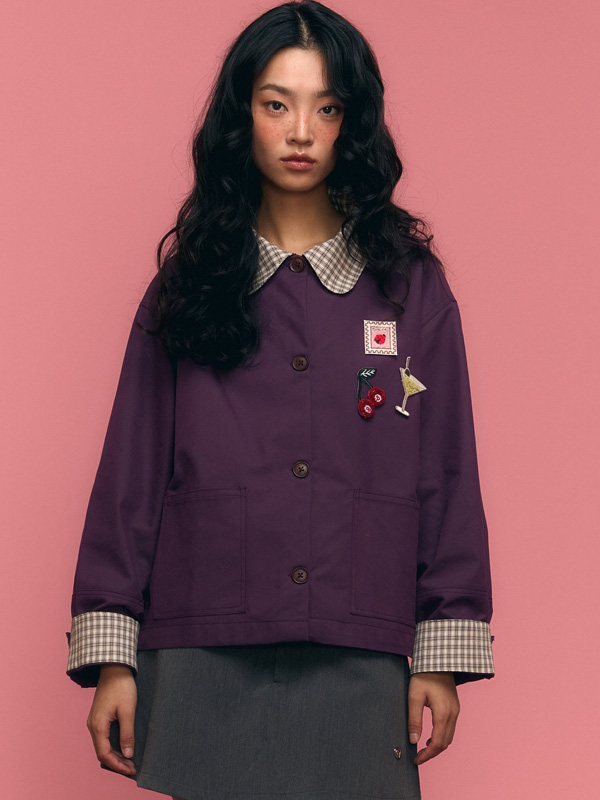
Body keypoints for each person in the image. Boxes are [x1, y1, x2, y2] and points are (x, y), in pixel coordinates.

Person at [65, 2, 495, 799]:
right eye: (276, 104)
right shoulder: (188, 285)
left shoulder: (411, 289)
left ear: (352, 123)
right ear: (243, 117)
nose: (301, 131)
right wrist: (112, 656)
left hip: (358, 642)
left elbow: (446, 471)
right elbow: (131, 475)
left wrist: (442, 654)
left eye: (326, 108)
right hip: (201, 639)